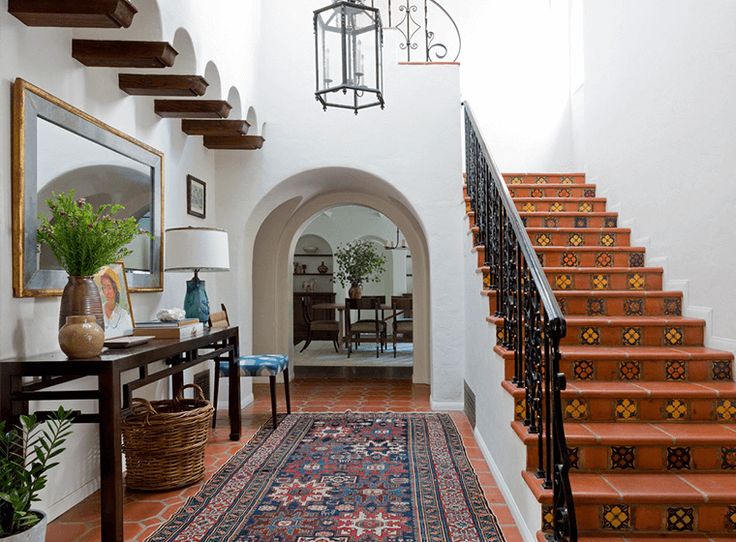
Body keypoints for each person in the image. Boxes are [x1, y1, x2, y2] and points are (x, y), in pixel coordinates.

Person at [99, 267, 133, 338]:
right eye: (104, 287)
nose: (106, 292)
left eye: (109, 287)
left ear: (115, 289)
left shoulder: (124, 315)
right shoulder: (98, 311)